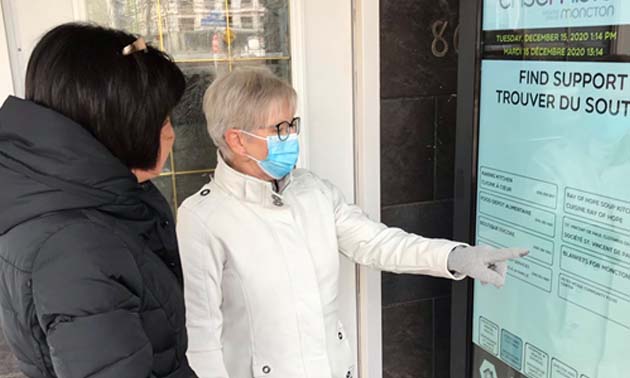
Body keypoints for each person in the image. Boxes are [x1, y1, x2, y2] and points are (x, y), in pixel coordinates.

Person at [176, 67, 527, 378]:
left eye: (293, 124)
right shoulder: (204, 218)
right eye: (279, 128)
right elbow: (203, 338)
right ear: (238, 139)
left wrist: (455, 257)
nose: (292, 137)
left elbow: (377, 243)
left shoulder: (312, 191)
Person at [0, 23, 198, 378]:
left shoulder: (84, 202)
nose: (170, 132)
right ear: (120, 121)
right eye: (161, 118)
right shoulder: (77, 247)